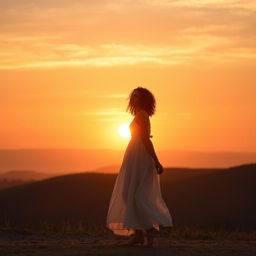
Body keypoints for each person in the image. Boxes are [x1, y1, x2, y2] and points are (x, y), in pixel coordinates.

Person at [106, 87, 173, 247]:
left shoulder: (142, 115)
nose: (134, 98)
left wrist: (156, 161)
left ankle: (148, 230)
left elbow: (146, 139)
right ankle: (138, 233)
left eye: (138, 96)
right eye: (133, 96)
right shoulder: (139, 115)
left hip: (139, 155)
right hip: (134, 154)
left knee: (135, 193)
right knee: (129, 192)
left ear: (143, 99)